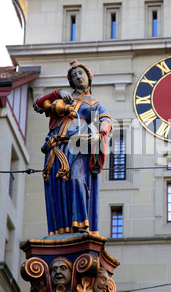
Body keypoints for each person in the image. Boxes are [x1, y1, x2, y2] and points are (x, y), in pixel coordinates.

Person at [33, 60, 112, 236]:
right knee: (57, 187)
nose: (78, 77)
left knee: (77, 179)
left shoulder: (94, 104)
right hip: (56, 148)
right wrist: (57, 93)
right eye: (74, 75)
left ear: (89, 78)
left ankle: (81, 225)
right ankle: (60, 229)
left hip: (78, 146)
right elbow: (38, 104)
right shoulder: (62, 99)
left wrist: (101, 133)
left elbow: (105, 120)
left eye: (81, 73)